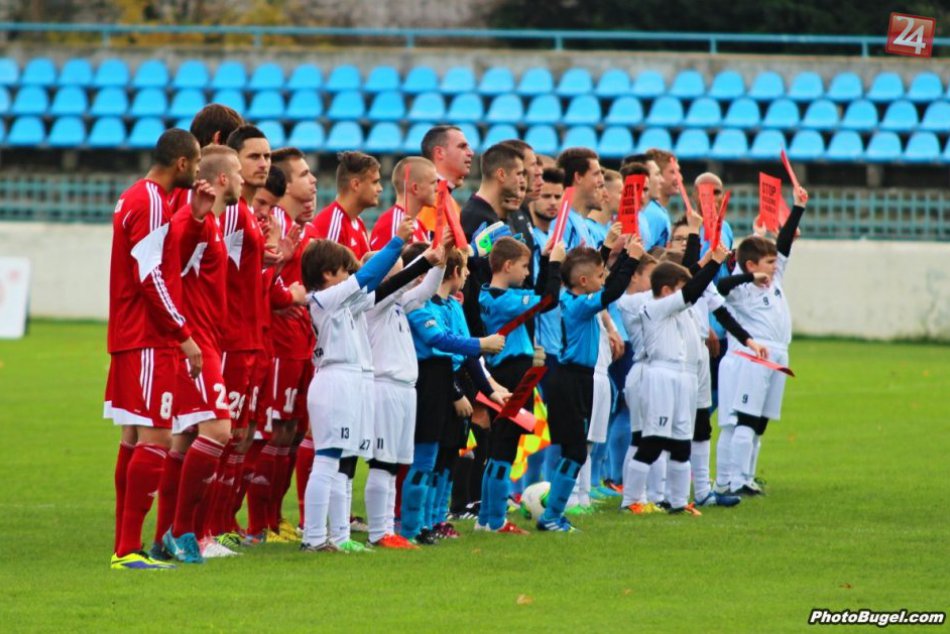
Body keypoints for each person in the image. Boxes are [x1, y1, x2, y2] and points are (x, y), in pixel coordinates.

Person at [106, 128, 202, 570]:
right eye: (196, 163)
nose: (198, 170)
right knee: (155, 437)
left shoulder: (135, 196)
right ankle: (127, 549)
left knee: (133, 437)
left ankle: (125, 546)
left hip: (132, 335)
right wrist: (182, 332)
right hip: (147, 336)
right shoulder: (151, 203)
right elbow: (150, 276)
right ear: (181, 163)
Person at [298, 221, 414, 552]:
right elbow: (364, 278)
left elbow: (380, 286)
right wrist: (396, 242)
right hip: (335, 381)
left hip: (348, 381)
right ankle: (315, 537)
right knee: (327, 459)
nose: (350, 278)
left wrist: (426, 261)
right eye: (343, 272)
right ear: (326, 275)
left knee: (338, 460)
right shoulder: (324, 299)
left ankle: (335, 537)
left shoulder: (344, 302)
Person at [157, 145, 243, 564]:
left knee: (186, 436)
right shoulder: (196, 220)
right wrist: (193, 214)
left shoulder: (212, 223)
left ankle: (167, 536)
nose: (245, 179)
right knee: (218, 431)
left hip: (210, 339)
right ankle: (181, 530)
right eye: (240, 172)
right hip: (196, 344)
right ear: (223, 179)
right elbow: (175, 242)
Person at [537, 237, 644, 532]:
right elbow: (611, 291)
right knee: (573, 450)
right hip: (570, 378)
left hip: (576, 378)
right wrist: (632, 259)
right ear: (583, 281)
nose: (603, 278)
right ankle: (551, 516)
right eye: (598, 276)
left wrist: (618, 256)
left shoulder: (575, 297)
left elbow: (605, 282)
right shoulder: (578, 305)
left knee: (575, 449)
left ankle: (554, 513)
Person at [403, 249, 507, 544]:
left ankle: (433, 520)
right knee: (427, 459)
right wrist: (480, 345)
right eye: (464, 269)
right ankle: (414, 526)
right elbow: (441, 342)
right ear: (452, 271)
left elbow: (468, 354)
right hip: (433, 382)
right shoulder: (418, 305)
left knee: (445, 457)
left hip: (452, 381)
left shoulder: (452, 305)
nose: (469, 275)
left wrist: (490, 390)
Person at [621, 245, 729, 516]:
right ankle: (631, 500)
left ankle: (679, 502)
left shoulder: (681, 311)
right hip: (662, 376)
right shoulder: (654, 308)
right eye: (681, 288)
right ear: (668, 290)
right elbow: (692, 292)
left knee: (682, 441)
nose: (688, 294)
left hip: (686, 378)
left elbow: (691, 292)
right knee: (653, 440)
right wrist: (713, 264)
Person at [245, 147, 318, 544]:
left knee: (289, 431)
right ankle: (256, 523)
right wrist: (291, 296)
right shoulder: (271, 226)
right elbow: (272, 291)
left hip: (299, 343)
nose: (313, 182)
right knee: (268, 433)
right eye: (305, 174)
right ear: (284, 185)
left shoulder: (297, 229)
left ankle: (272, 519)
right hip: (275, 344)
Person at [717, 185, 809, 496]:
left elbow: (783, 247)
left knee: (760, 422)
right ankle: (732, 479)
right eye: (768, 264)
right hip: (750, 357)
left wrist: (797, 208)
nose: (775, 268)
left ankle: (747, 475)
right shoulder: (742, 288)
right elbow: (719, 288)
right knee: (744, 418)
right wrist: (748, 278)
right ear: (751, 266)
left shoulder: (775, 279)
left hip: (778, 355)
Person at [476, 236, 565, 533]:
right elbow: (549, 298)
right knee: (505, 448)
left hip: (502, 373)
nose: (527, 274)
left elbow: (538, 292)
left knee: (499, 447)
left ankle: (486, 519)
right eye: (525, 267)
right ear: (507, 265)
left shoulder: (486, 296)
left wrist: (545, 258)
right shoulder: (506, 301)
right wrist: (555, 264)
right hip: (514, 374)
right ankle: (496, 519)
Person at [364, 240, 447, 549]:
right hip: (384, 387)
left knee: (394, 463)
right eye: (396, 273)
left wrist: (440, 262)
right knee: (382, 462)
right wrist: (426, 260)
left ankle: (388, 529)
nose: (406, 279)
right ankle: (379, 531)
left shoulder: (399, 304)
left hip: (404, 389)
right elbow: (402, 286)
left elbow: (425, 290)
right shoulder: (373, 302)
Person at [312, 151, 380, 261]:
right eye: (375, 182)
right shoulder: (333, 223)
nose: (380, 188)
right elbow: (328, 275)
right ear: (356, 185)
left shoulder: (358, 222)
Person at [369, 156, 436, 249]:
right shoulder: (393, 224)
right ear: (415, 188)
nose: (437, 188)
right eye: (433, 183)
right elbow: (387, 263)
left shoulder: (419, 225)